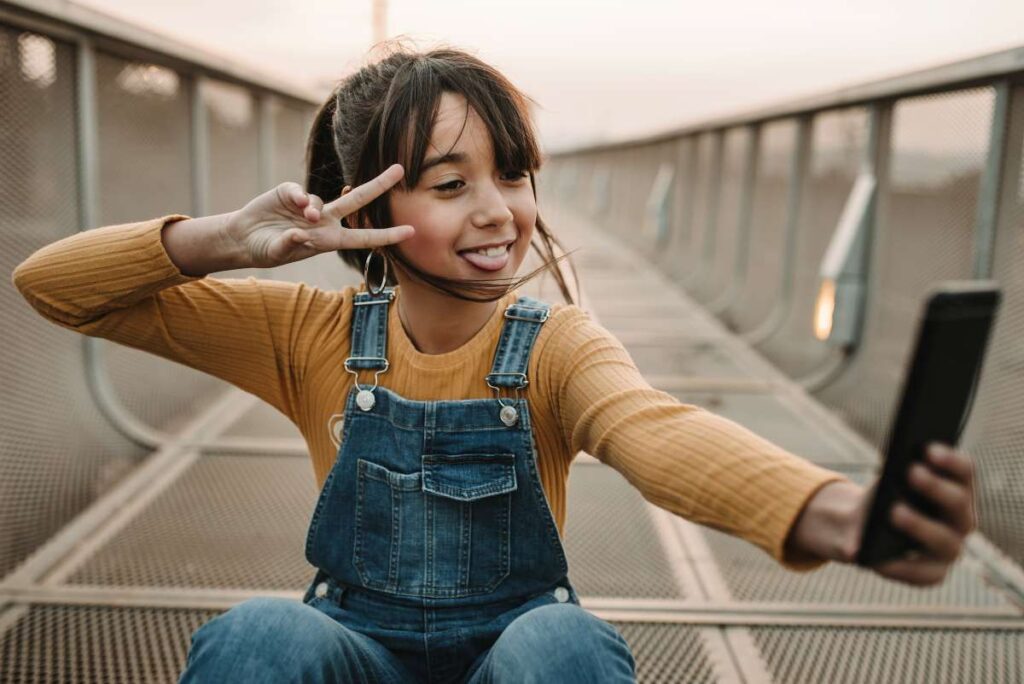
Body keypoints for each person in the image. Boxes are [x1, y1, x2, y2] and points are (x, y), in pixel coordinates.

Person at [12, 44, 978, 684]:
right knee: (262, 635)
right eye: (449, 183)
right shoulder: (306, 337)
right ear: (364, 206)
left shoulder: (556, 346)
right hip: (361, 655)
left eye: (511, 174)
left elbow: (656, 432)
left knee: (561, 640)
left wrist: (839, 511)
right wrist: (224, 238)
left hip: (510, 662)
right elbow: (55, 285)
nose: (497, 211)